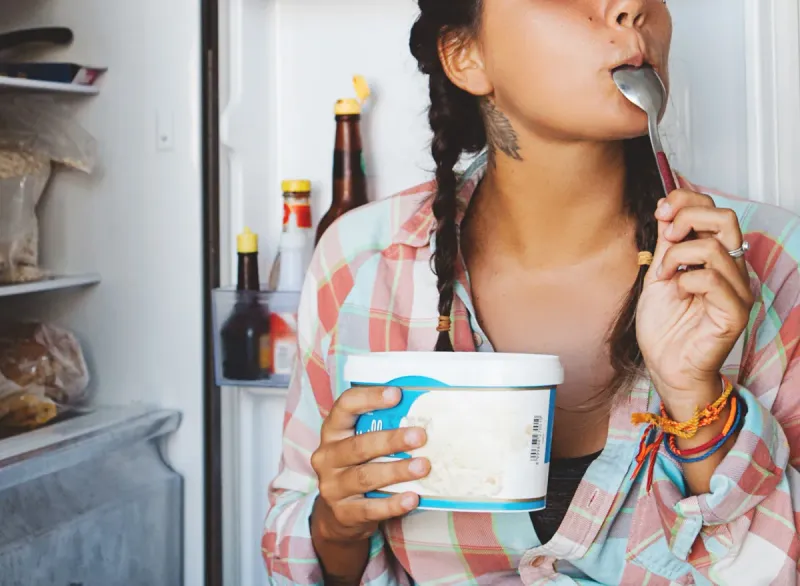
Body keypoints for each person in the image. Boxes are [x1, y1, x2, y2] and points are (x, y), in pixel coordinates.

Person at [262, 1, 800, 584]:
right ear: (465, 56)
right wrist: (337, 525)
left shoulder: (772, 260)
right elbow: (305, 543)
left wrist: (697, 400)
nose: (630, 6)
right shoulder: (360, 262)